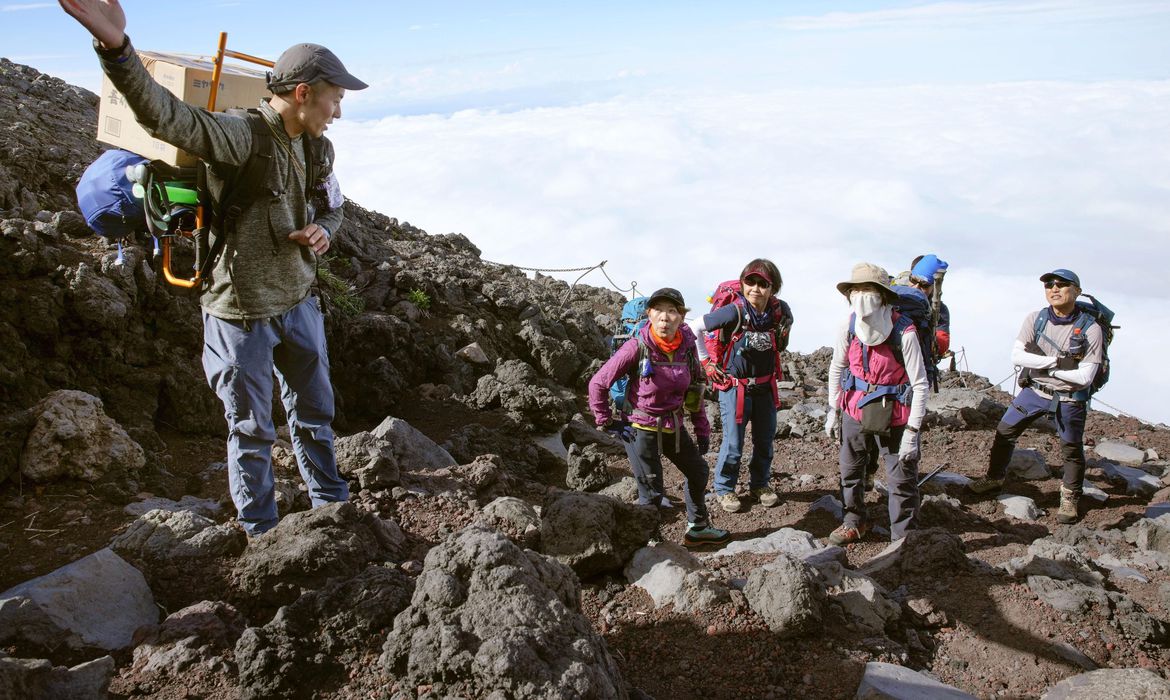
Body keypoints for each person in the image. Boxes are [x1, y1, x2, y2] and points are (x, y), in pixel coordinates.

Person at [60, 0, 366, 535]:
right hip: (239, 312)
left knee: (315, 414)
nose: (337, 111)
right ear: (302, 93)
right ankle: (261, 534)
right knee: (251, 430)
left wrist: (324, 230)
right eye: (334, 99)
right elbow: (165, 115)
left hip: (299, 302)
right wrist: (116, 50)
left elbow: (334, 207)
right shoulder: (239, 136)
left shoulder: (319, 150)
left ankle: (330, 505)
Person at [589, 288, 730, 548]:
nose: (665, 317)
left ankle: (698, 528)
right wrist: (607, 420)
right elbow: (598, 383)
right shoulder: (637, 346)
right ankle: (650, 542)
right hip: (639, 428)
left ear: (681, 317)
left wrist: (702, 429)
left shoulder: (686, 349)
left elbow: (694, 390)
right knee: (652, 489)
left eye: (672, 310)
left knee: (698, 471)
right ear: (650, 314)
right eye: (659, 310)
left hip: (672, 426)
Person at [968, 269, 1103, 524]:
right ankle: (994, 478)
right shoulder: (1036, 318)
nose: (1054, 288)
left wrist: (1042, 365)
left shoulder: (1091, 329)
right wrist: (1056, 363)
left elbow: (1085, 377)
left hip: (1069, 398)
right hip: (1035, 390)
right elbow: (1017, 356)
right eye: (1049, 284)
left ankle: (1070, 496)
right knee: (1004, 432)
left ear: (1077, 291)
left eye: (1062, 284)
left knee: (1071, 449)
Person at [824, 263, 928, 544]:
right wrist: (833, 410)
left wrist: (912, 432)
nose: (861, 295)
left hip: (895, 413)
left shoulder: (904, 332)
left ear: (883, 295)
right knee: (850, 471)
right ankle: (854, 520)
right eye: (856, 290)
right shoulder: (847, 327)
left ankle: (904, 539)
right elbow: (837, 367)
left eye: (868, 289)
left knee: (901, 479)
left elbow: (920, 384)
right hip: (853, 408)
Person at [693, 259, 790, 513]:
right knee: (733, 443)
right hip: (734, 387)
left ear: (773, 288)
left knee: (765, 440)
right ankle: (725, 489)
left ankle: (760, 485)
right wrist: (706, 363)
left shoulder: (780, 312)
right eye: (750, 282)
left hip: (765, 387)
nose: (755, 288)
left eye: (763, 284)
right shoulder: (733, 311)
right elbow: (695, 329)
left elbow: (782, 341)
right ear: (743, 283)